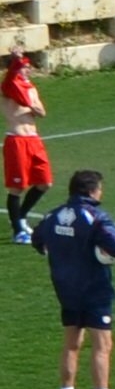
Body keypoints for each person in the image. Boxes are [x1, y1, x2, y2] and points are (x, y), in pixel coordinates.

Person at [37, 168, 115, 389]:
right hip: (93, 288)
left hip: (65, 287)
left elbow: (38, 240)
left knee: (71, 342)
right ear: (92, 190)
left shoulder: (53, 215)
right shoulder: (94, 216)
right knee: (102, 344)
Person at [3, 50, 50, 244]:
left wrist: (30, 106)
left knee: (44, 183)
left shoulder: (30, 89)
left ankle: (20, 217)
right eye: (25, 66)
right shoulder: (7, 87)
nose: (28, 69)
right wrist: (16, 58)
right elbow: (12, 74)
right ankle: (18, 231)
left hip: (34, 140)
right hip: (17, 140)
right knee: (17, 187)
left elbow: (42, 112)